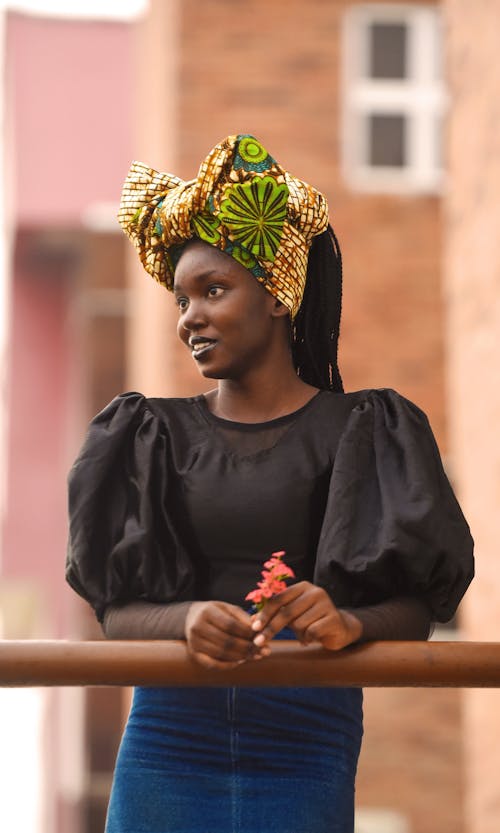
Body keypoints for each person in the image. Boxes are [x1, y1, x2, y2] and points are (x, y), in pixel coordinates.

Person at [66, 134, 474, 833]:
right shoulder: (146, 435)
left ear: (279, 296)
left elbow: (412, 609)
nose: (189, 315)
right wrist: (185, 619)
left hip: (306, 745)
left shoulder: (367, 430)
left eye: (213, 290)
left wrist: (349, 622)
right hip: (169, 745)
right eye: (182, 298)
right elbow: (117, 612)